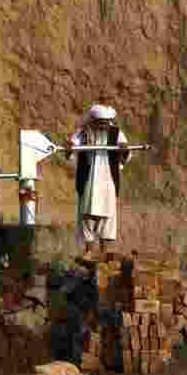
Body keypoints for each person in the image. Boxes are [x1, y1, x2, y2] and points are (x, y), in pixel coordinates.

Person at [65, 105, 131, 261]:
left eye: (106, 122)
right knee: (87, 214)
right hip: (89, 179)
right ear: (93, 120)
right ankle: (88, 250)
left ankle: (104, 252)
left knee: (107, 216)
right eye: (100, 122)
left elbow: (127, 155)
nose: (103, 125)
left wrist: (123, 150)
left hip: (108, 180)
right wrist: (69, 147)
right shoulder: (84, 132)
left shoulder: (116, 133)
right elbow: (71, 150)